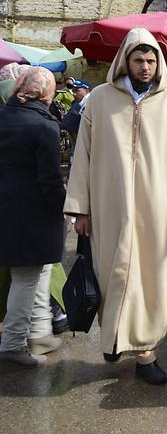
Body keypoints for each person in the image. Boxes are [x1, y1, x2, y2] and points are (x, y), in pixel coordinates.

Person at [64, 28, 167, 385]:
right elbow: (81, 159)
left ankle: (147, 354)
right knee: (112, 275)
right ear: (125, 62)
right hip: (107, 207)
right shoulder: (99, 100)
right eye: (138, 60)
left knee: (152, 279)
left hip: (156, 209)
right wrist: (80, 209)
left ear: (158, 63)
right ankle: (116, 338)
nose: (145, 67)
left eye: (150, 60)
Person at [0, 68, 67, 367]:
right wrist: (64, 206)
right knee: (27, 277)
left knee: (38, 272)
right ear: (46, 94)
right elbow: (50, 180)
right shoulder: (44, 126)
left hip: (7, 208)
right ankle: (13, 343)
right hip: (32, 212)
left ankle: (39, 331)